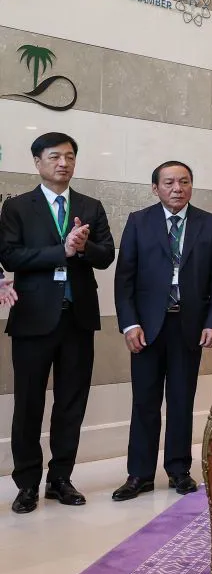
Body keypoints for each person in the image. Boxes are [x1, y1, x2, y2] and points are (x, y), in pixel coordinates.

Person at [0, 132, 115, 514]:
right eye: (54, 157)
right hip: (33, 319)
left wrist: (83, 248)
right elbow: (10, 256)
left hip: (77, 320)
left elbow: (106, 256)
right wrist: (60, 251)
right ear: (38, 162)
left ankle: (60, 479)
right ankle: (27, 484)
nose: (63, 163)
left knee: (71, 403)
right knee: (28, 404)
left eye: (69, 157)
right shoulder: (17, 207)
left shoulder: (90, 206)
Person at [112, 161, 212, 501]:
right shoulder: (139, 221)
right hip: (147, 327)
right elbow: (124, 279)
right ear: (155, 188)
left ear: (191, 185)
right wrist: (129, 323)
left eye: (184, 181)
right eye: (169, 182)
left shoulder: (210, 224)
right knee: (145, 402)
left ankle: (179, 470)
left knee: (181, 400)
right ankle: (139, 474)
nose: (177, 188)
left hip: (188, 325)